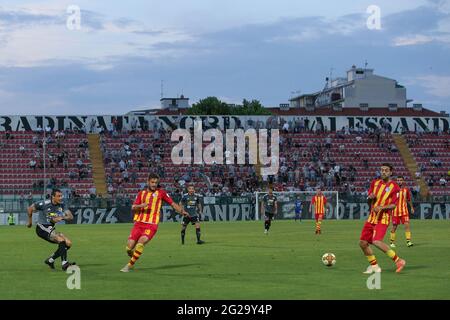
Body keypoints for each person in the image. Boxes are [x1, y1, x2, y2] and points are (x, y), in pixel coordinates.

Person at [120, 173, 188, 272]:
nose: (154, 184)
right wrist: (141, 205)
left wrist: (182, 211)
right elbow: (133, 207)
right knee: (128, 248)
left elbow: (172, 204)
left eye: (156, 182)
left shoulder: (161, 193)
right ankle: (133, 257)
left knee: (140, 243)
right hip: (139, 223)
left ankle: (129, 266)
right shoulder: (141, 193)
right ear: (148, 182)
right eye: (152, 182)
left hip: (151, 225)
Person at [359, 163, 406, 274]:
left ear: (390, 172)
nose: (383, 172)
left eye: (386, 170)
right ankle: (374, 267)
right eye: (382, 170)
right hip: (371, 217)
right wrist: (370, 198)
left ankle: (399, 261)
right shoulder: (374, 183)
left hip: (383, 218)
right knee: (362, 243)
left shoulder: (394, 187)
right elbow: (369, 200)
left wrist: (382, 207)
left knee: (376, 241)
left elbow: (394, 205)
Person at [27, 189, 75, 271]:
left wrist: (62, 217)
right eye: (58, 196)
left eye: (61, 196)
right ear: (53, 197)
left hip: (51, 228)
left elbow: (71, 216)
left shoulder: (61, 205)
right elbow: (30, 209)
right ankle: (65, 264)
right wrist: (30, 222)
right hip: (42, 228)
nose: (61, 198)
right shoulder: (44, 203)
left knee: (68, 243)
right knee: (61, 240)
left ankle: (50, 260)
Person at [390, 176, 414, 248]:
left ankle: (408, 241)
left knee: (407, 225)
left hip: (404, 211)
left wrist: (412, 207)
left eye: (401, 180)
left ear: (403, 181)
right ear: (396, 181)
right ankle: (391, 242)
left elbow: (409, 199)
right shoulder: (393, 189)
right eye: (398, 180)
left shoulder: (405, 190)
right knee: (394, 227)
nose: (399, 181)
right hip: (395, 211)